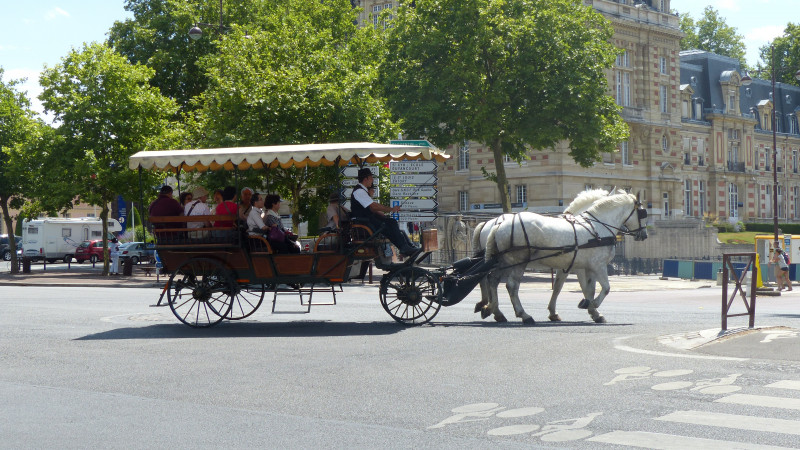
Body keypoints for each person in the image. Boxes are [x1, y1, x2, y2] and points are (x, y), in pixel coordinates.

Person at [350, 168, 419, 257]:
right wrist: (391, 209)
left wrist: (383, 214)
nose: (372, 180)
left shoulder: (362, 191)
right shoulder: (359, 191)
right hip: (364, 222)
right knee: (387, 226)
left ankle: (406, 247)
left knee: (392, 222)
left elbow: (372, 208)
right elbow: (373, 206)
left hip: (368, 219)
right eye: (371, 178)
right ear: (366, 179)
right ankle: (404, 248)